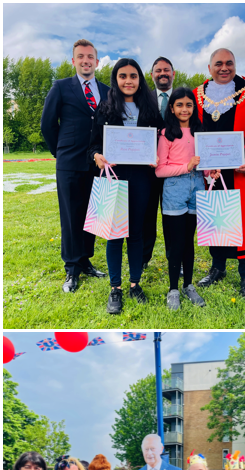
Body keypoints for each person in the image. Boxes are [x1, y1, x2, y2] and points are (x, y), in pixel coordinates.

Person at [193, 48, 245, 299]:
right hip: (211, 172)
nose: (224, 68)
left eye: (229, 63)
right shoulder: (198, 95)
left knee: (243, 222)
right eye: (218, 64)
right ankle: (218, 268)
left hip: (239, 171)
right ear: (210, 68)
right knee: (214, 217)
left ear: (235, 65)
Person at [89, 57, 164, 315]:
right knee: (114, 233)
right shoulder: (106, 107)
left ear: (139, 80)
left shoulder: (150, 108)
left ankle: (134, 284)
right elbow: (94, 144)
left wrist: (158, 156)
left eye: (133, 76)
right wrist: (96, 155)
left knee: (137, 232)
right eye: (123, 76)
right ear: (116, 79)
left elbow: (161, 140)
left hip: (143, 178)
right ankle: (115, 288)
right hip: (115, 177)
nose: (128, 81)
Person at [40, 38, 108, 293]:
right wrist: (60, 151)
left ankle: (85, 261)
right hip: (69, 163)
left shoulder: (106, 90)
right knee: (70, 217)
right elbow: (48, 125)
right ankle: (71, 269)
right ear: (73, 61)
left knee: (92, 216)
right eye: (80, 56)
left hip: (97, 164)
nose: (85, 61)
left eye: (90, 57)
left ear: (97, 61)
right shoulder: (60, 87)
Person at [155, 86, 207, 310]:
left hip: (198, 188)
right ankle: (173, 289)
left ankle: (188, 285)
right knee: (175, 243)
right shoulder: (166, 134)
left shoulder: (200, 132)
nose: (185, 109)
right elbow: (159, 170)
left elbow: (204, 162)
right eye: (179, 105)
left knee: (189, 242)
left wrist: (210, 171)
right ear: (172, 108)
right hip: (174, 190)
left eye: (189, 104)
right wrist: (186, 167)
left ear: (194, 107)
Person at [143, 56, 176, 271]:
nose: (162, 73)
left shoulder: (184, 98)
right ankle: (143, 258)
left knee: (174, 219)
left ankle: (176, 260)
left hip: (175, 170)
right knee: (146, 217)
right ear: (152, 75)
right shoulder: (142, 99)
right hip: (146, 169)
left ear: (173, 73)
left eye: (166, 70)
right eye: (158, 70)